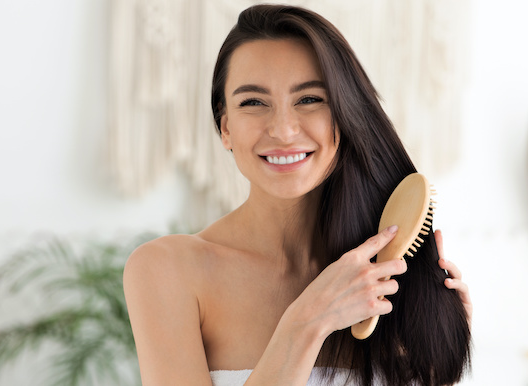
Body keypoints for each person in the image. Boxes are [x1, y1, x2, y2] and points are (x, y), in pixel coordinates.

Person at [124, 4, 472, 386]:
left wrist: (444, 338)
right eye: (253, 103)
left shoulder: (388, 276)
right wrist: (307, 323)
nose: (284, 130)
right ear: (225, 128)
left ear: (343, 115)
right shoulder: (167, 271)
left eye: (309, 99)